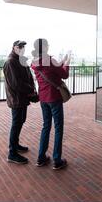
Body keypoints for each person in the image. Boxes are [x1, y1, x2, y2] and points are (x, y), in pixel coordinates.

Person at [31, 38, 70, 170]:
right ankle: (57, 160)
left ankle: (41, 158)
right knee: (58, 128)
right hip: (54, 98)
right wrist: (67, 62)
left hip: (43, 98)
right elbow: (64, 74)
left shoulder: (34, 62)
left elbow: (51, 70)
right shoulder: (50, 61)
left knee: (46, 126)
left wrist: (61, 61)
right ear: (45, 47)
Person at [3, 40, 37, 164]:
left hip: (22, 98)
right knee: (16, 123)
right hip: (17, 98)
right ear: (14, 48)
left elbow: (27, 76)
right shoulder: (11, 61)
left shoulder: (20, 59)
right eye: (19, 46)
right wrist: (30, 91)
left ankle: (15, 145)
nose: (22, 48)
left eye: (23, 46)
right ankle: (12, 153)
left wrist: (31, 90)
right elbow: (15, 84)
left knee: (20, 121)